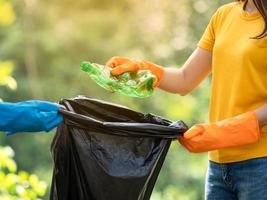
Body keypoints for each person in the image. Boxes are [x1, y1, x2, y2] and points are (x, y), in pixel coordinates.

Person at [105, 0, 267, 199]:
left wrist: (225, 132)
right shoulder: (224, 15)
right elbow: (185, 79)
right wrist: (144, 70)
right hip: (219, 166)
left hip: (262, 163)